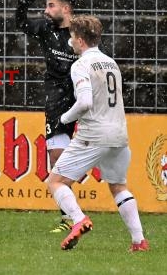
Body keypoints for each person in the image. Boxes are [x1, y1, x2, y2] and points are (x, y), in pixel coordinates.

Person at [47, 15, 148, 252]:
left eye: (72, 36)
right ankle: (139, 241)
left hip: (94, 134)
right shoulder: (111, 63)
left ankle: (79, 219)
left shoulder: (80, 65)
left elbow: (84, 103)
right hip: (119, 134)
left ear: (80, 40)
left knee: (56, 181)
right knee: (118, 186)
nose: (70, 41)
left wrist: (63, 119)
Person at [16, 0, 78, 232]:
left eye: (51, 6)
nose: (45, 11)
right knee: (58, 160)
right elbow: (21, 23)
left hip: (83, 98)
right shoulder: (45, 28)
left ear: (66, 8)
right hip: (57, 100)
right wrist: (22, 4)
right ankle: (70, 219)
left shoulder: (81, 32)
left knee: (109, 166)